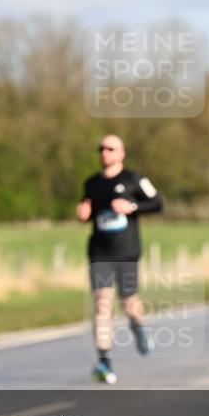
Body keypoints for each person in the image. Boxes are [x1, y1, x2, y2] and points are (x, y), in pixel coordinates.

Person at [77, 135, 163, 384]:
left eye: (110, 148)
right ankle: (104, 361)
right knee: (103, 303)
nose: (105, 152)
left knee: (129, 303)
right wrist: (84, 213)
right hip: (100, 251)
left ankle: (139, 326)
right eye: (101, 148)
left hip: (126, 251)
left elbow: (158, 203)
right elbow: (88, 210)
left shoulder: (134, 179)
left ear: (121, 153)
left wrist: (133, 207)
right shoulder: (91, 183)